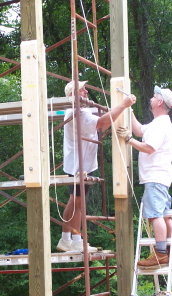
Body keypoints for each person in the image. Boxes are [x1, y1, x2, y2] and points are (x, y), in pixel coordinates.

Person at [56, 80, 137, 252]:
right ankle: (77, 241)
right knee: (77, 203)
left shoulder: (81, 111)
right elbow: (101, 123)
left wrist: (118, 110)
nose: (85, 91)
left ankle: (65, 239)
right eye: (81, 90)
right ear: (73, 95)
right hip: (78, 165)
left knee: (74, 201)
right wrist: (122, 105)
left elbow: (101, 124)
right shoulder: (76, 112)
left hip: (80, 163)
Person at [117, 85, 172, 268]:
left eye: (154, 96)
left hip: (155, 177)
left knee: (155, 215)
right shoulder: (157, 123)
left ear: (159, 102)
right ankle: (171, 252)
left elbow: (150, 148)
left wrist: (129, 141)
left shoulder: (161, 124)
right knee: (164, 216)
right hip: (159, 177)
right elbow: (138, 130)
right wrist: (128, 108)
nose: (151, 99)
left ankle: (160, 253)